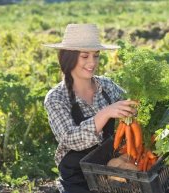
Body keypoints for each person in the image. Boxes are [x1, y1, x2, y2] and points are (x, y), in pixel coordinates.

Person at [43, 24, 137, 193]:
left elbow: (133, 109)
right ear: (68, 57)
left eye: (96, 55)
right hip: (77, 178)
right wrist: (105, 113)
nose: (92, 62)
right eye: (85, 56)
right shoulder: (57, 98)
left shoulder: (107, 86)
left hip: (110, 171)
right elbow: (71, 139)